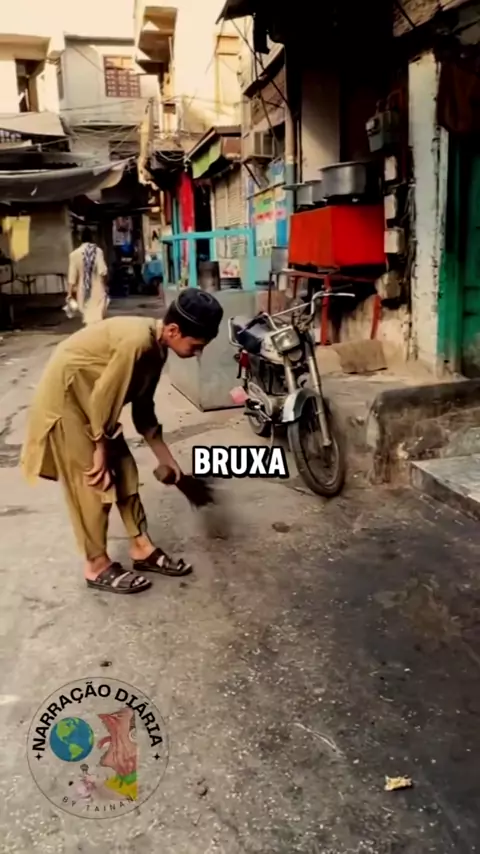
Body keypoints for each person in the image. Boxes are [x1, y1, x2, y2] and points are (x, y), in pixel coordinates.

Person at [21, 289, 224, 595]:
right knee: (95, 482)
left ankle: (141, 547)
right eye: (196, 346)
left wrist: (168, 461)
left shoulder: (157, 350)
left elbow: (143, 412)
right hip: (67, 399)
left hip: (94, 404)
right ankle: (96, 564)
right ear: (173, 330)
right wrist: (100, 450)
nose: (197, 354)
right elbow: (103, 398)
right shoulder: (137, 342)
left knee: (126, 470)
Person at [68, 227, 108, 325]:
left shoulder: (74, 254)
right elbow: (102, 272)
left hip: (83, 291)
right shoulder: (98, 251)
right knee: (98, 318)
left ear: (80, 238)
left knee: (88, 317)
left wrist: (69, 294)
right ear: (92, 237)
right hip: (98, 290)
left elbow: (72, 278)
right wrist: (105, 286)